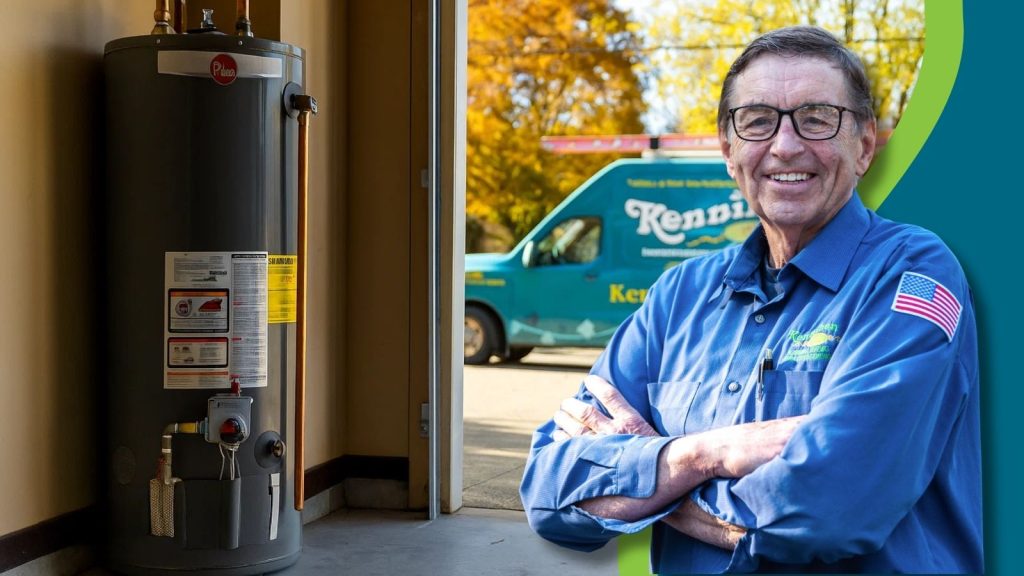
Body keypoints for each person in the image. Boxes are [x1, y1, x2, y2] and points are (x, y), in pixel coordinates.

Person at [519, 25, 982, 574]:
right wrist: (701, 454)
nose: (785, 145)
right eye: (758, 121)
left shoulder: (912, 274)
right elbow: (548, 490)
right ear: (728, 149)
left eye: (817, 118)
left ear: (863, 146)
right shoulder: (679, 297)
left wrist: (650, 484)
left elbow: (827, 510)